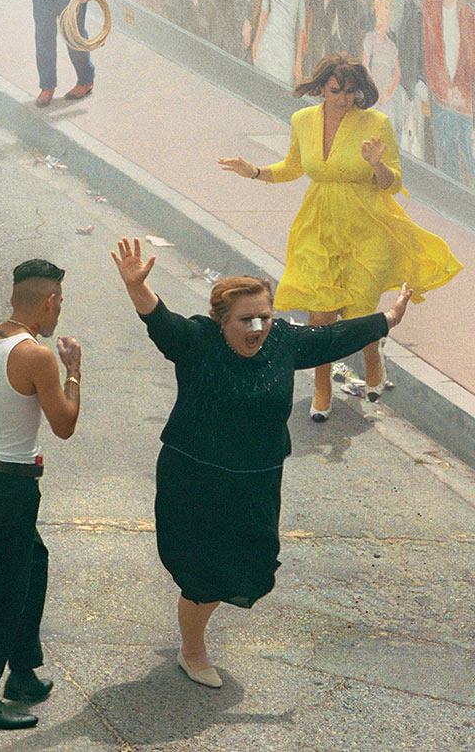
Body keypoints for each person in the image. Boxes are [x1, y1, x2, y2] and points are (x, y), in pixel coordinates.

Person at [110, 238, 414, 689]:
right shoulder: (197, 340)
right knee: (205, 571)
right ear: (221, 321)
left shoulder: (282, 341)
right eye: (245, 320)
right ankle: (192, 651)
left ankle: (194, 628)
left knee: (251, 564)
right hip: (195, 476)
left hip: (256, 478)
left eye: (265, 317)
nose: (257, 328)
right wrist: (137, 287)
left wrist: (388, 318)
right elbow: (161, 321)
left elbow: (334, 337)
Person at [214, 53, 461, 419]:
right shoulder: (303, 120)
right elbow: (293, 167)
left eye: (350, 91)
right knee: (321, 317)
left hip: (368, 225)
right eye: (335, 90)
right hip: (319, 223)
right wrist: (254, 171)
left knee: (360, 311)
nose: (343, 98)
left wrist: (377, 163)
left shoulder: (374, 122)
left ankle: (373, 356)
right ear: (321, 88)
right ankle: (322, 386)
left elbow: (393, 184)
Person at [0, 260, 82, 729]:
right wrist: (74, 371)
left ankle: (22, 673)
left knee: (33, 561)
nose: (59, 312)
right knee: (5, 588)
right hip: (15, 484)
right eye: (60, 303)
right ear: (48, 301)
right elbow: (64, 425)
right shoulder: (39, 357)